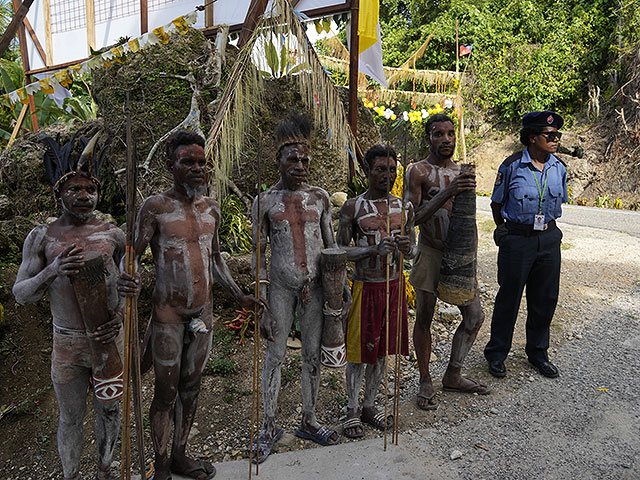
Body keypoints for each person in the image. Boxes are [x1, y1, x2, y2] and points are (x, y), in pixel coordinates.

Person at [121, 129, 260, 480]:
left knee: (191, 387)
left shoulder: (211, 207)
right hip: (168, 316)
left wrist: (238, 294)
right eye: (188, 162)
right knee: (165, 392)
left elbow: (215, 259)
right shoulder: (156, 207)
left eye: (202, 162)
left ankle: (181, 454)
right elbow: (132, 254)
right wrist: (128, 278)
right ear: (171, 165)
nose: (198, 168)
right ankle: (161, 463)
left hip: (204, 315)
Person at [13, 134, 125, 480]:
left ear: (98, 193)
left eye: (90, 189)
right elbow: (21, 293)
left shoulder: (113, 235)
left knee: (110, 413)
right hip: (68, 345)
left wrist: (122, 309)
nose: (83, 196)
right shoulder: (42, 237)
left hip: (107, 341)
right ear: (59, 193)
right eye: (74, 189)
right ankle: (71, 475)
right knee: (71, 416)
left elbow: (121, 283)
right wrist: (52, 271)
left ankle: (105, 471)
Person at [252, 112, 345, 461]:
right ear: (278, 160)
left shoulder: (319, 198)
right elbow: (258, 253)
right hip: (280, 288)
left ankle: (309, 418)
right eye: (293, 158)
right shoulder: (265, 201)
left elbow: (331, 247)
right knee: (274, 356)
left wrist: (341, 287)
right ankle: (268, 424)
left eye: (305, 159)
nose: (300, 164)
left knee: (310, 355)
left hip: (316, 287)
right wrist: (262, 303)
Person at [405, 113, 489, 411]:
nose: (446, 140)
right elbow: (411, 218)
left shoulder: (461, 172)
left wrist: (472, 259)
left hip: (461, 255)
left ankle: (453, 374)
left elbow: (468, 220)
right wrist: (448, 193)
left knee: (474, 316)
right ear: (428, 137)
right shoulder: (418, 171)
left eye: (451, 134)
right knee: (425, 316)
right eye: (438, 134)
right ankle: (425, 378)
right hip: (430, 250)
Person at [337, 144, 415, 438]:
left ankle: (370, 406)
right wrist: (371, 248)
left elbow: (414, 249)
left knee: (382, 352)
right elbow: (339, 250)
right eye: (381, 169)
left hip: (394, 286)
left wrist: (408, 248)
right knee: (358, 352)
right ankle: (351, 410)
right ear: (367, 171)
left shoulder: (404, 207)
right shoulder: (353, 207)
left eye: (392, 169)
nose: (387, 175)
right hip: (365, 287)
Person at [484, 111, 568, 379]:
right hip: (518, 240)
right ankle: (497, 354)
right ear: (532, 138)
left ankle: (538, 353)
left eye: (557, 136)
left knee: (545, 299)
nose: (555, 140)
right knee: (509, 298)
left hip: (549, 240)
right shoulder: (511, 166)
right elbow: (496, 204)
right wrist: (504, 232)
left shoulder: (559, 168)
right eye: (550, 136)